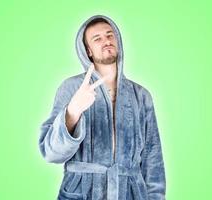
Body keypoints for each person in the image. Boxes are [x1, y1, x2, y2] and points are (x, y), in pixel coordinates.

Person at [38, 14, 166, 200]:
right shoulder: (71, 88)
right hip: (81, 193)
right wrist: (73, 111)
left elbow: (153, 159)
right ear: (88, 51)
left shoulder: (141, 95)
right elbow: (51, 153)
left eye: (110, 35)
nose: (106, 41)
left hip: (130, 194)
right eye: (97, 39)